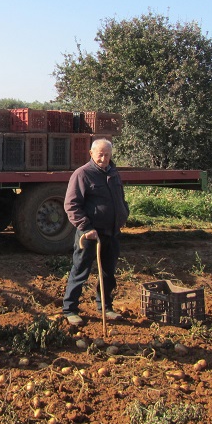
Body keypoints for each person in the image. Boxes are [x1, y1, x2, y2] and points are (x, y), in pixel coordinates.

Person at [62, 138, 129, 327]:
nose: (103, 158)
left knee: (108, 272)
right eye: (100, 154)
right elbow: (71, 205)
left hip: (112, 232)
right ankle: (70, 309)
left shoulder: (114, 173)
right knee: (80, 270)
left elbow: (120, 198)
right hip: (90, 234)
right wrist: (86, 227)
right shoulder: (83, 174)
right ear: (91, 154)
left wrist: (123, 213)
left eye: (107, 155)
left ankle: (106, 307)